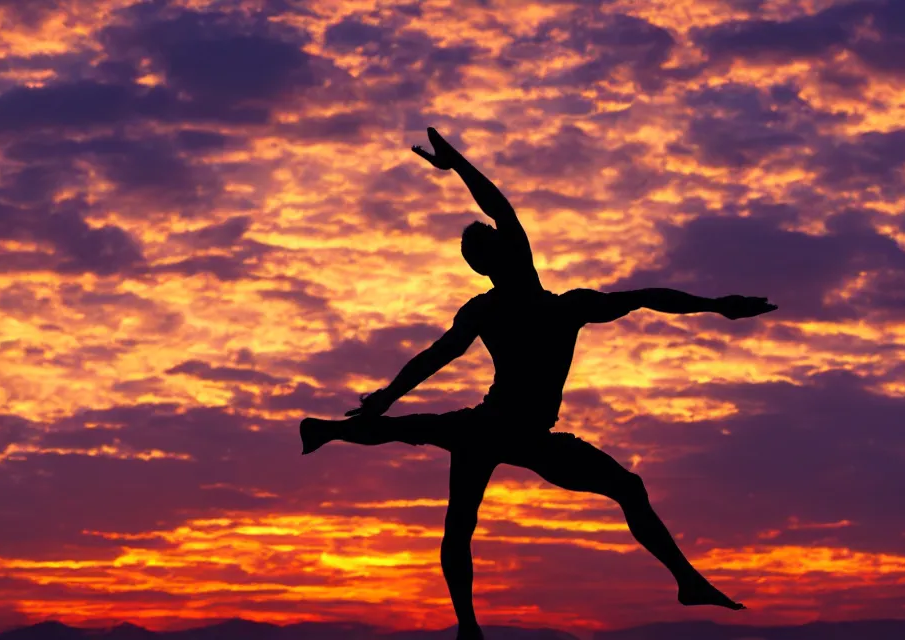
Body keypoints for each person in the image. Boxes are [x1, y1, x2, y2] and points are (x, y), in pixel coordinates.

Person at [301, 128, 777, 640]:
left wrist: (715, 306)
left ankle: (328, 432)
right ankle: (474, 623)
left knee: (444, 476)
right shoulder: (554, 306)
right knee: (453, 480)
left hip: (505, 430)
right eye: (502, 242)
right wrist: (457, 165)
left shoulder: (528, 307)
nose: (510, 240)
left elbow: (645, 296)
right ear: (498, 259)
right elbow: (442, 342)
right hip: (512, 429)